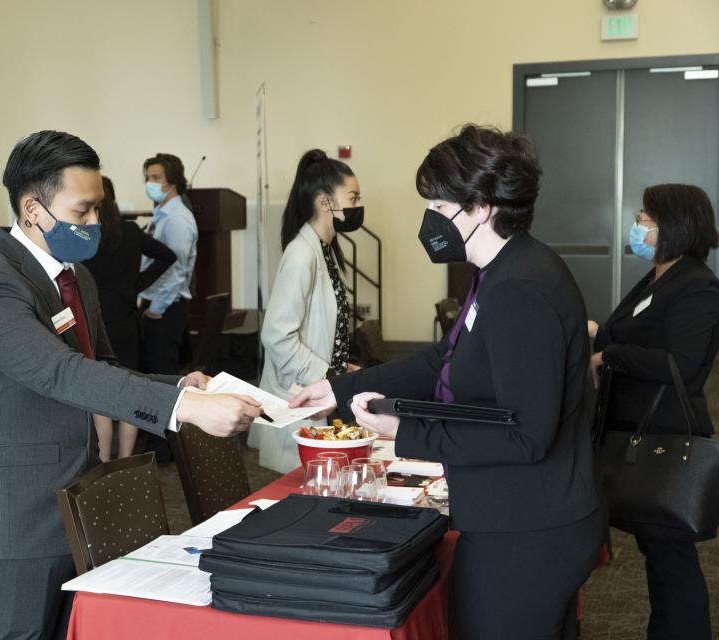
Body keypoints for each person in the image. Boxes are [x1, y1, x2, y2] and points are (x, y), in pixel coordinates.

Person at [290, 125, 603, 639]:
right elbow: (445, 359)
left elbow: (526, 434)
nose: (430, 217)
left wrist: (406, 433)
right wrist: (339, 390)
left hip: (529, 527)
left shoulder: (520, 288)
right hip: (520, 514)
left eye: (438, 204)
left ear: (480, 207)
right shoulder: (501, 270)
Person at [0, 130, 262, 640]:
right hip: (17, 519)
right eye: (83, 212)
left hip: (79, 505)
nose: (96, 223)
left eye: (99, 209)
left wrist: (181, 382)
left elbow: (104, 367)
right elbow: (58, 372)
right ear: (32, 208)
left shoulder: (75, 277)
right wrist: (181, 407)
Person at [590, 184, 719, 640]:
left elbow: (679, 364)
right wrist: (598, 336)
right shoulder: (659, 276)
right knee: (660, 554)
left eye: (645, 219)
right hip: (637, 432)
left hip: (667, 439)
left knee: (672, 557)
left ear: (675, 226)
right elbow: (633, 334)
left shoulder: (697, 285)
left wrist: (610, 355)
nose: (637, 227)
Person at [255, 149, 364, 473]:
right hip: (299, 397)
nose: (358, 207)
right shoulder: (302, 254)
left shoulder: (325, 250)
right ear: (324, 202)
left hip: (318, 393)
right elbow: (276, 335)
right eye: (353, 198)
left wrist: (341, 367)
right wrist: (328, 374)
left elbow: (321, 328)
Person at [82, 176, 176, 461]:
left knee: (100, 396)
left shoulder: (85, 234)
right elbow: (167, 256)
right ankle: (126, 459)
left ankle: (104, 463)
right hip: (125, 320)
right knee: (131, 390)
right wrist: (135, 284)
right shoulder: (130, 231)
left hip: (93, 321)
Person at [138, 153, 198, 462]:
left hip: (167, 308)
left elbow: (175, 270)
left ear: (173, 180)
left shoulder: (177, 218)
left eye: (157, 178)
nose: (151, 183)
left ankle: (166, 451)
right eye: (148, 177)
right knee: (155, 373)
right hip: (158, 305)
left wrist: (157, 307)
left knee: (163, 378)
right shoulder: (163, 212)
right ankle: (161, 446)